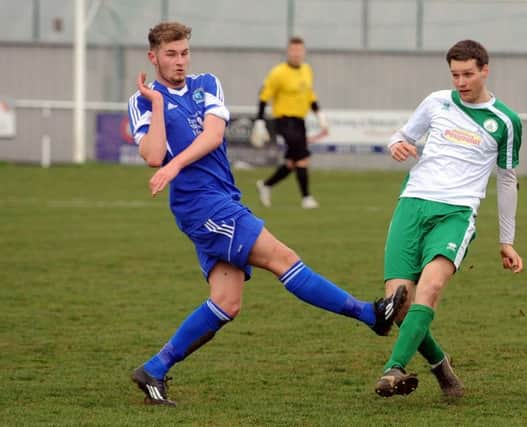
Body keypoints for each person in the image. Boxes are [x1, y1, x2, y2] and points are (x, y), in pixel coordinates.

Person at [127, 22, 405, 407]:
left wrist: (174, 167)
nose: (180, 61)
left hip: (222, 197)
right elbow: (154, 155)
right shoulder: (142, 100)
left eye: (184, 52)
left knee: (226, 303)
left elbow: (211, 137)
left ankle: (154, 370)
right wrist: (157, 105)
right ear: (152, 56)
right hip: (201, 205)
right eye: (171, 54)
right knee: (284, 259)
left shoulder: (205, 83)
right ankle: (370, 315)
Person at [373, 39, 524, 399]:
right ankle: (442, 367)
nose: (461, 81)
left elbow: (507, 179)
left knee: (431, 288)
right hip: (412, 204)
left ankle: (393, 369)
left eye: (468, 74)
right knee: (398, 303)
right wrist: (396, 144)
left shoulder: (506, 121)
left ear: (485, 70)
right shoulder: (436, 101)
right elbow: (402, 135)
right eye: (455, 74)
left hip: (456, 213)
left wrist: (507, 239)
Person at [251, 36, 328, 209]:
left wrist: (319, 114)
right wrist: (259, 121)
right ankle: (306, 198)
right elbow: (264, 96)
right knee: (302, 157)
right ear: (288, 51)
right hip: (284, 121)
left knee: (293, 162)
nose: (296, 54)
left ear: (304, 52)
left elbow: (310, 95)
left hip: (300, 121)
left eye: (299, 50)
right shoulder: (278, 72)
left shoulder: (307, 70)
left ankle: (266, 185)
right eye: (293, 50)